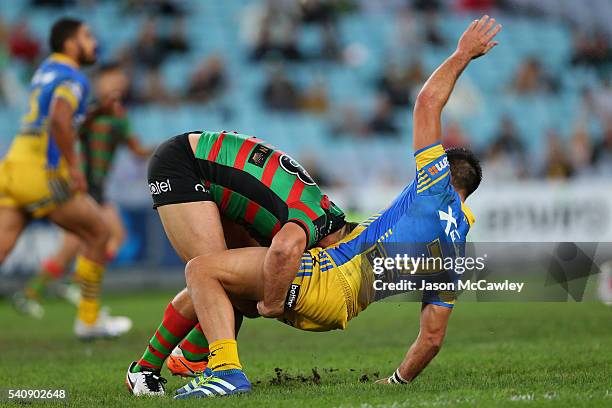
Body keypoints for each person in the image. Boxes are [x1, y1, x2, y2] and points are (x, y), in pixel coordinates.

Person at [174, 15, 500, 398]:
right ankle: (175, 361)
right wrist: (397, 381)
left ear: (444, 169)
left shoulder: (434, 185)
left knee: (203, 270)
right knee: (230, 282)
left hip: (324, 275)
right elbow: (431, 338)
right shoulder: (455, 252)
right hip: (340, 311)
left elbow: (428, 102)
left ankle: (224, 372)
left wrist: (463, 54)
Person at [125, 130, 354, 395]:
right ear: (337, 245)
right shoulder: (314, 222)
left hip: (213, 171)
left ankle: (193, 354)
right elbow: (282, 251)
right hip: (183, 165)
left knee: (242, 294)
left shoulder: (325, 216)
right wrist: (275, 303)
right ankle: (144, 369)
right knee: (217, 277)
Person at [0, 18, 131, 339]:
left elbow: (60, 116)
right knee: (99, 233)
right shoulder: (74, 78)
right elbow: (59, 118)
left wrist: (96, 113)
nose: (94, 42)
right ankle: (88, 320)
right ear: (71, 44)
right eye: (87, 36)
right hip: (44, 172)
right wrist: (73, 166)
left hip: (15, 165)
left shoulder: (46, 69)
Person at [13, 63, 153, 318]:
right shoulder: (88, 109)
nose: (118, 83)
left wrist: (166, 148)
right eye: (113, 78)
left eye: (121, 78)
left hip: (98, 189)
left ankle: (66, 285)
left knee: (109, 238)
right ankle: (42, 291)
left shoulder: (120, 116)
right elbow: (68, 133)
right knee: (79, 245)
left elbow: (137, 150)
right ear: (102, 81)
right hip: (82, 186)